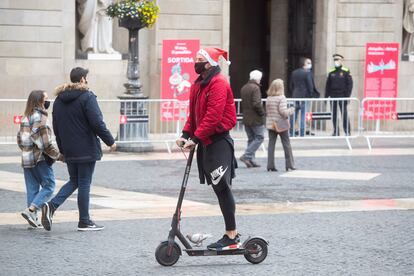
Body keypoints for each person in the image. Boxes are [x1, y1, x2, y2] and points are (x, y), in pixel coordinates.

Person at [175, 47, 240, 250]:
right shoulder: (199, 85)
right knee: (218, 188)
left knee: (222, 186)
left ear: (210, 62)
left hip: (219, 142)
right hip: (205, 143)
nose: (196, 62)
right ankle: (232, 233)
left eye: (200, 59)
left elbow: (213, 116)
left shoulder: (219, 83)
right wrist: (185, 134)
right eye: (195, 58)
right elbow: (194, 115)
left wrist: (195, 137)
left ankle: (231, 235)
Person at [41, 67, 116, 232]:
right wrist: (110, 141)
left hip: (69, 148)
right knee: (84, 183)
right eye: (86, 78)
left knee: (75, 180)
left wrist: (62, 149)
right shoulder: (87, 97)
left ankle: (51, 206)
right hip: (86, 148)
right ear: (82, 79)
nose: (87, 81)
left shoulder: (59, 100)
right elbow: (97, 123)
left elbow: (57, 127)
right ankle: (84, 221)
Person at [17, 90, 64, 228]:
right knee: (49, 186)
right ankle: (31, 210)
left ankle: (34, 220)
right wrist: (59, 155)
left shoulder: (26, 117)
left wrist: (27, 150)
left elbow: (20, 140)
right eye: (46, 99)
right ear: (39, 101)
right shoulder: (40, 118)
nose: (48, 102)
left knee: (32, 188)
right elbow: (45, 144)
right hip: (39, 158)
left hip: (26, 158)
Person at [266, 79, 296, 172]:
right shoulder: (281, 97)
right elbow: (283, 112)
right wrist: (291, 110)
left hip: (271, 124)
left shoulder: (269, 98)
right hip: (281, 124)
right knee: (286, 144)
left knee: (271, 145)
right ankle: (290, 164)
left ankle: (270, 165)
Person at [239, 70, 265, 168]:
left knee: (251, 139)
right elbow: (256, 103)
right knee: (259, 137)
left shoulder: (244, 87)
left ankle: (251, 160)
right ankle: (247, 156)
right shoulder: (255, 88)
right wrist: (262, 113)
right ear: (258, 78)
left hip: (246, 117)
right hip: (255, 118)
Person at [289, 57, 318, 137]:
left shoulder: (294, 72)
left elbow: (291, 85)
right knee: (303, 114)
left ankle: (291, 132)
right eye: (308, 63)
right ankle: (302, 132)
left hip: (295, 95)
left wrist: (294, 93)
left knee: (294, 114)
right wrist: (311, 94)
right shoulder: (307, 73)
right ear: (304, 64)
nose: (310, 65)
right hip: (305, 96)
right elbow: (310, 86)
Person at [325, 54, 353, 136]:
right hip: (333, 96)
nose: (336, 61)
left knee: (344, 114)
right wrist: (326, 96)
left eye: (337, 60)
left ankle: (347, 131)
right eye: (335, 60)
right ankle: (336, 131)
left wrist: (347, 96)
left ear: (341, 61)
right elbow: (328, 85)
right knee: (334, 114)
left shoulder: (346, 71)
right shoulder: (331, 72)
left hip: (342, 96)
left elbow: (349, 84)